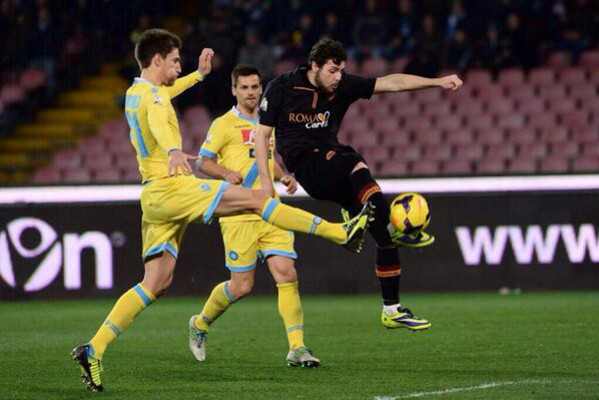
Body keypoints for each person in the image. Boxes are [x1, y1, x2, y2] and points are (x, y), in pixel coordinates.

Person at [72, 29, 371, 392]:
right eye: (175, 61)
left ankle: (94, 348)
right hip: (173, 186)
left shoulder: (137, 92)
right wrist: (172, 150)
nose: (178, 66)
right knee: (259, 200)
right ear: (156, 60)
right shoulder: (153, 101)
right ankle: (340, 232)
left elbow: (164, 94)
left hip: (153, 197)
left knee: (156, 283)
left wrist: (197, 76)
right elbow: (159, 121)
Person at [254, 38, 463, 333]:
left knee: (382, 233)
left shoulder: (343, 86)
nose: (338, 77)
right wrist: (267, 181)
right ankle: (362, 220)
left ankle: (392, 309)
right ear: (314, 66)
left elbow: (392, 82)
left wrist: (437, 82)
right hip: (309, 169)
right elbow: (261, 137)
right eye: (333, 70)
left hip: (334, 168)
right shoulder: (281, 88)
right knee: (354, 160)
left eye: (341, 71)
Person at [191, 64, 319, 367]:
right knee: (241, 286)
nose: (251, 92)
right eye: (244, 87)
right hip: (239, 214)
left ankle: (297, 348)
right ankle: (200, 323)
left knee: (287, 274)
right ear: (234, 90)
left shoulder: (267, 122)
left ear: (261, 88)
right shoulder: (224, 124)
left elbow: (265, 156)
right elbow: (202, 162)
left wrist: (283, 175)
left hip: (270, 211)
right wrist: (225, 172)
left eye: (255, 86)